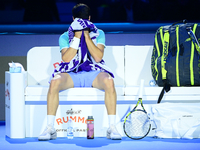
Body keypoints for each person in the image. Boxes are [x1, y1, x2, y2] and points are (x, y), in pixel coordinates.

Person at [38, 3, 122, 140]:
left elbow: (98, 57)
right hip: (72, 74)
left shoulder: (99, 33)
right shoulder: (65, 36)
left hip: (93, 73)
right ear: (74, 20)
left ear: (89, 19)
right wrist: (77, 37)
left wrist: (87, 37)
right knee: (54, 82)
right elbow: (66, 59)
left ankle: (111, 127)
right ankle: (50, 128)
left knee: (109, 81)